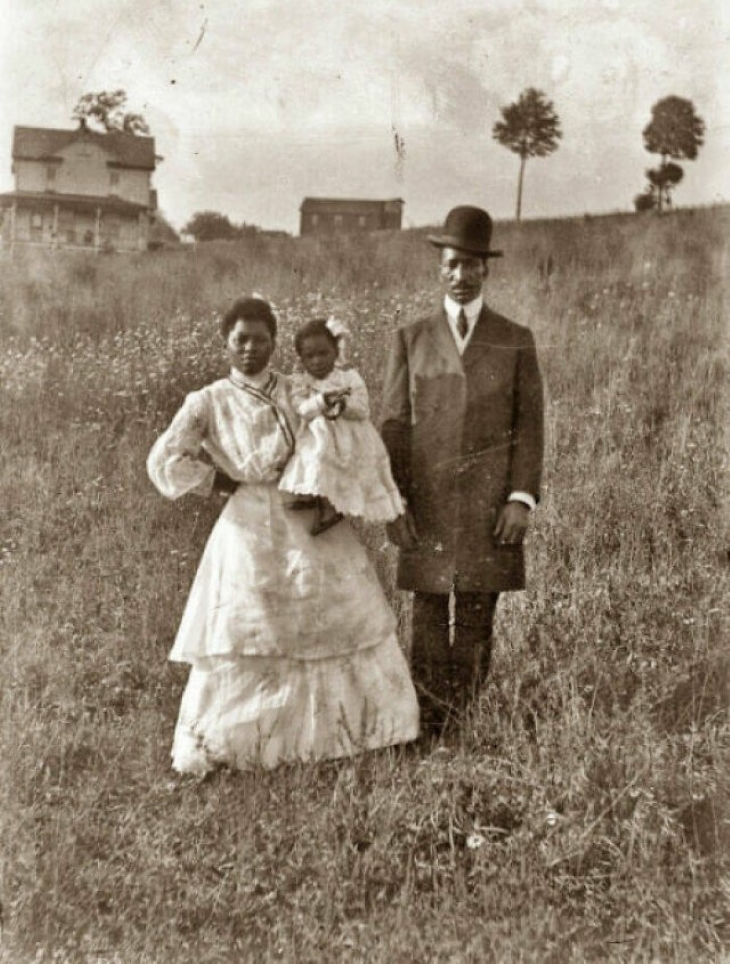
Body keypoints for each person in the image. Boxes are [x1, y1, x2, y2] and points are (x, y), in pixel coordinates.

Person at [147, 296, 419, 774]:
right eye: (241, 340)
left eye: (261, 340)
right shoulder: (207, 401)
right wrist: (219, 481)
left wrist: (336, 484)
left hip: (306, 511)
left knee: (331, 614)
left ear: (275, 342)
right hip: (248, 522)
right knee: (255, 623)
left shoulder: (297, 389)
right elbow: (164, 461)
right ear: (226, 342)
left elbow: (338, 431)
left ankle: (351, 733)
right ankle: (243, 744)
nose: (251, 349)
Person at [380, 206, 544, 734]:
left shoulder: (515, 338)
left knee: (476, 612)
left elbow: (530, 426)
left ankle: (464, 722)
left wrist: (521, 498)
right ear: (439, 268)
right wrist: (392, 501)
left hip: (488, 505)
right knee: (427, 615)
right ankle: (427, 722)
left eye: (472, 265)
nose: (460, 275)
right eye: (452, 264)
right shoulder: (411, 337)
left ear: (486, 270)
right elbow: (393, 426)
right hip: (423, 502)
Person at [278, 318, 405, 535]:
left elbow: (363, 410)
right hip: (318, 434)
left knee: (331, 460)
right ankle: (313, 498)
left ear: (336, 352)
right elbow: (302, 410)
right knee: (314, 457)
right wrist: (321, 402)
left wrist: (342, 404)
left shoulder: (349, 378)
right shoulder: (301, 383)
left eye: (323, 353)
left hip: (350, 437)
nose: (317, 361)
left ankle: (331, 508)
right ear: (301, 359)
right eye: (310, 356)